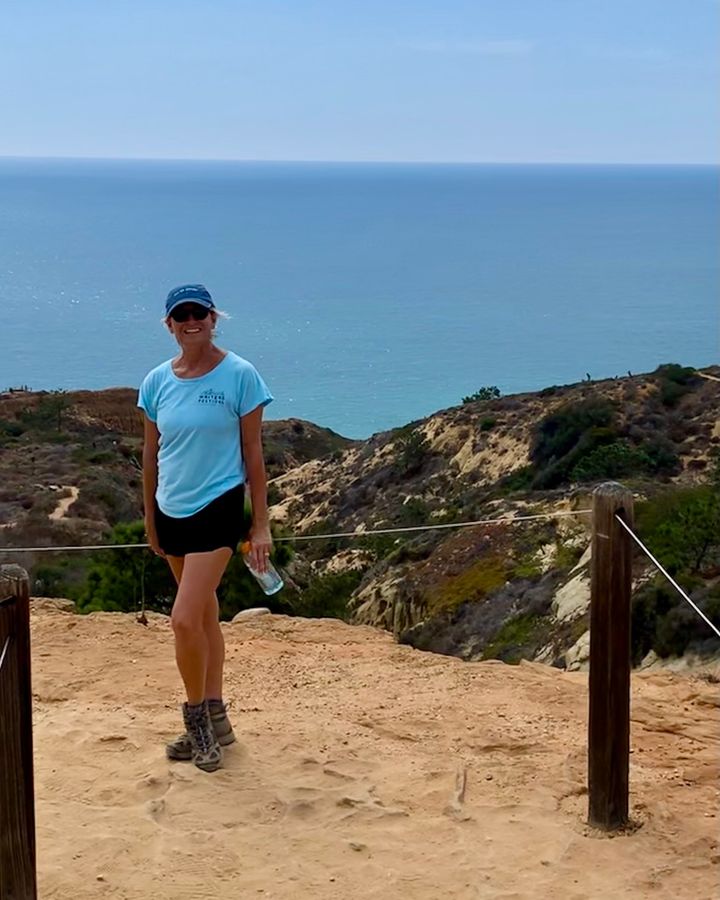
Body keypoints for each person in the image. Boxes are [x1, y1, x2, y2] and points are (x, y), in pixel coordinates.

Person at [138, 284, 273, 772]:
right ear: (169, 324)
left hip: (218, 508)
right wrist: (150, 518)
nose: (190, 321)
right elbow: (151, 456)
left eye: (199, 313)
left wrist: (260, 526)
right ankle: (217, 717)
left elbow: (254, 456)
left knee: (182, 619)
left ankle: (194, 721)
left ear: (214, 318)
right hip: (171, 509)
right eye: (181, 314)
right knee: (204, 619)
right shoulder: (155, 382)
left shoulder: (241, 375)